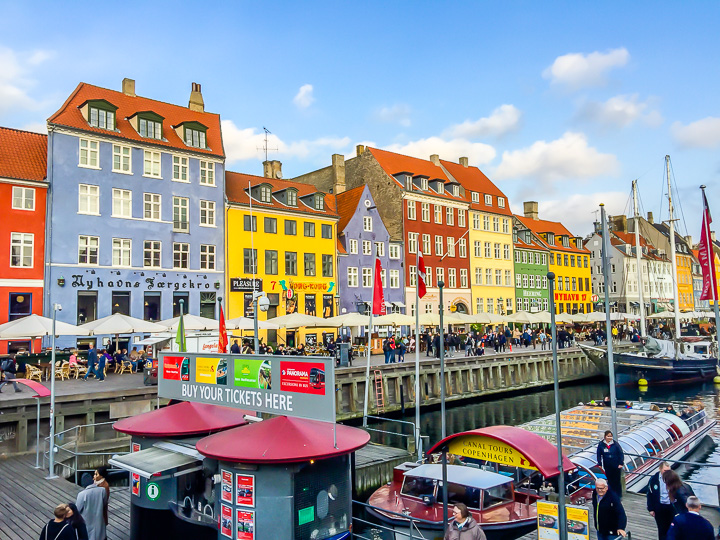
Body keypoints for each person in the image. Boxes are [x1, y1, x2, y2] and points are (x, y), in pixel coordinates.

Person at [76, 467, 109, 540]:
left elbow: (77, 509)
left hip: (87, 523)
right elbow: (104, 503)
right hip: (99, 522)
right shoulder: (102, 490)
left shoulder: (82, 494)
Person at [648, 461, 674, 540]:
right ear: (660, 469)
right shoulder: (654, 479)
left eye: (668, 471)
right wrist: (651, 508)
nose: (667, 473)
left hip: (670, 507)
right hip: (659, 507)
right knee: (661, 528)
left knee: (672, 528)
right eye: (665, 471)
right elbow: (650, 494)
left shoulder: (673, 478)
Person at [596, 430, 624, 497]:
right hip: (607, 465)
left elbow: (620, 453)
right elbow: (599, 454)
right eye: (608, 436)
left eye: (611, 436)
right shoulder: (601, 444)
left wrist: (621, 463)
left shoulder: (615, 444)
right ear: (605, 436)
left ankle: (618, 495)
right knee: (610, 480)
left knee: (617, 480)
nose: (610, 438)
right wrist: (599, 463)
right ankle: (611, 494)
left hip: (616, 464)